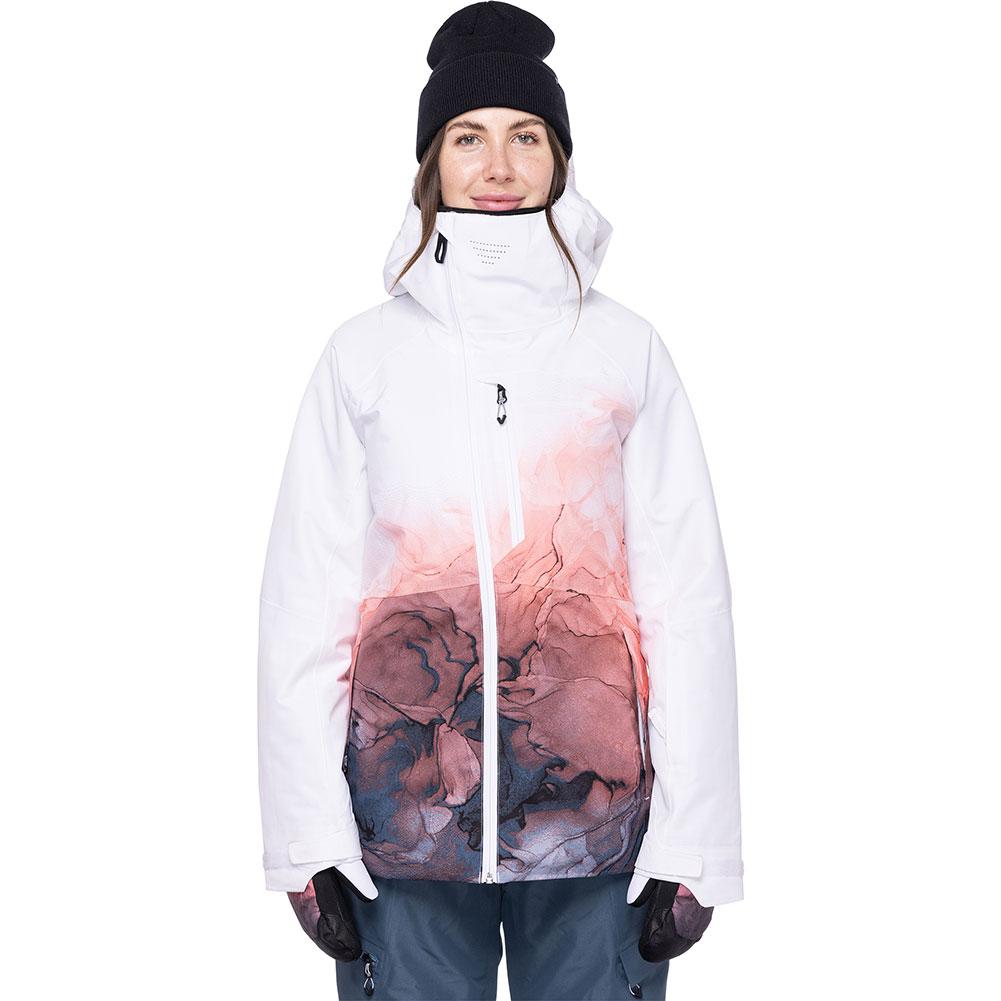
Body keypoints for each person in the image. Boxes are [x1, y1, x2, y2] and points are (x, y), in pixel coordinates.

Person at [257, 3, 744, 998]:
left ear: (558, 159)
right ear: (430, 162)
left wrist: (697, 839)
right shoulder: (363, 356)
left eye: (525, 136)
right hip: (401, 831)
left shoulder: (624, 350)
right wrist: (305, 833)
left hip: (596, 831)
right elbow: (305, 603)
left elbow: (685, 601)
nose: (497, 164)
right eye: (466, 137)